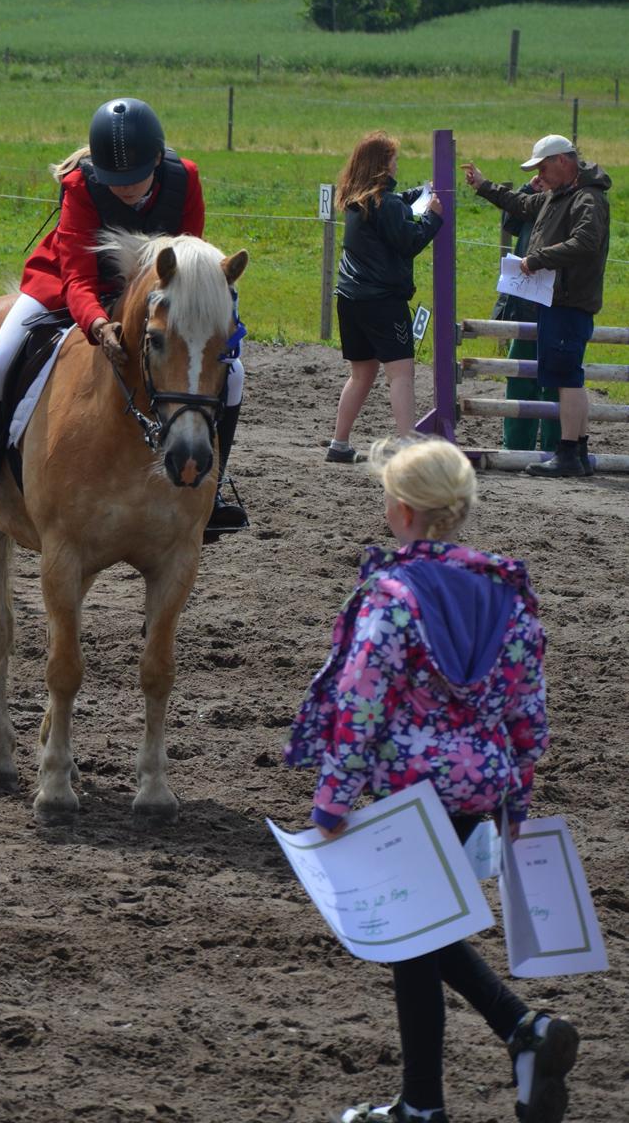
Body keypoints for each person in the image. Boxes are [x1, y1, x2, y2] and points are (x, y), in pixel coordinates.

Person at [285, 437, 578, 1123]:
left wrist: (333, 797)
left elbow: (362, 700)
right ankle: (518, 1036)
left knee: (413, 941)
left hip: (410, 789)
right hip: (479, 788)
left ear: (402, 511)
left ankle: (426, 1103)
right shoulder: (506, 594)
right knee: (421, 930)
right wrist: (518, 789)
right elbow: (526, 701)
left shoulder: (391, 597)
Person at [0, 97, 247, 541]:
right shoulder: (81, 185)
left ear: (156, 162)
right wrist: (97, 325)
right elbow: (77, 278)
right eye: (115, 181)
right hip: (70, 285)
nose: (123, 188)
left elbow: (188, 257)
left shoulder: (185, 179)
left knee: (234, 372)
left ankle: (214, 488)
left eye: (133, 179)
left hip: (153, 294)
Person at [463, 134, 611, 479]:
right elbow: (519, 204)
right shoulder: (558, 196)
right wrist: (485, 186)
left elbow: (586, 242)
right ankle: (576, 448)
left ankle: (569, 451)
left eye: (543, 167)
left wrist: (538, 258)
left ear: (563, 161)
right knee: (568, 376)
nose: (539, 175)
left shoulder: (586, 198)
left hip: (568, 301)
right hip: (559, 300)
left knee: (566, 377)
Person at [327, 133, 443, 462]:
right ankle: (409, 447)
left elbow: (393, 208)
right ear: (381, 165)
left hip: (349, 299)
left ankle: (339, 443)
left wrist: (419, 194)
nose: (397, 163)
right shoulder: (387, 204)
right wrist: (434, 216)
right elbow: (409, 241)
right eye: (393, 158)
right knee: (401, 373)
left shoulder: (355, 200)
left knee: (360, 375)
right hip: (383, 302)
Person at [492, 181, 561, 456]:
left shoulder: (570, 205)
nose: (539, 178)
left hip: (556, 304)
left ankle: (556, 447)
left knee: (556, 381)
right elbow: (510, 223)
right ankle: (516, 444)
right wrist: (528, 188)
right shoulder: (533, 199)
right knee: (520, 378)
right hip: (524, 301)